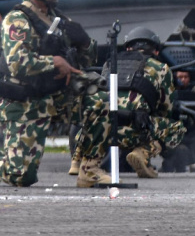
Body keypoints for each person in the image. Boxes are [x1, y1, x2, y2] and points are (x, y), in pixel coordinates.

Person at [0, 0, 104, 187]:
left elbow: (85, 61)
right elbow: (17, 63)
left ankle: (88, 169)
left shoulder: (59, 19)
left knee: (99, 98)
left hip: (55, 95)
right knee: (21, 176)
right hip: (24, 101)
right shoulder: (17, 19)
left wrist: (84, 43)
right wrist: (54, 62)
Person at [75, 27, 186, 179]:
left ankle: (80, 162)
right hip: (134, 132)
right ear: (156, 51)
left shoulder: (109, 65)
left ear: (128, 47)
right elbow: (167, 108)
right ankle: (142, 153)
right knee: (176, 128)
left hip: (103, 133)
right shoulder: (161, 68)